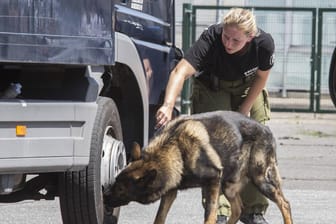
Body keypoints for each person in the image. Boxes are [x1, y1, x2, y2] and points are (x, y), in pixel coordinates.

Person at [155, 7, 274, 224]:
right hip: (213, 87)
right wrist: (168, 105)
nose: (228, 43)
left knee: (257, 144)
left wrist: (244, 109)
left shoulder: (263, 44)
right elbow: (179, 72)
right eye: (226, 36)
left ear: (249, 37)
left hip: (248, 88)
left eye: (235, 40)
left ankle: (253, 211)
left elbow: (261, 77)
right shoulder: (211, 37)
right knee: (216, 147)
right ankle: (218, 211)